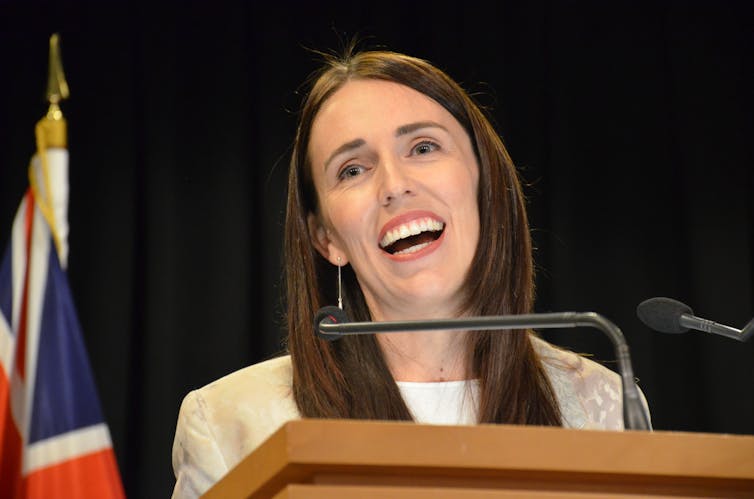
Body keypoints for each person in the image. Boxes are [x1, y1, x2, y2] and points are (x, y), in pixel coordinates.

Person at [170, 48, 650, 497]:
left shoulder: (601, 404)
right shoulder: (230, 425)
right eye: (352, 170)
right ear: (327, 239)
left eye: (422, 148)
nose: (394, 185)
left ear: (484, 182)